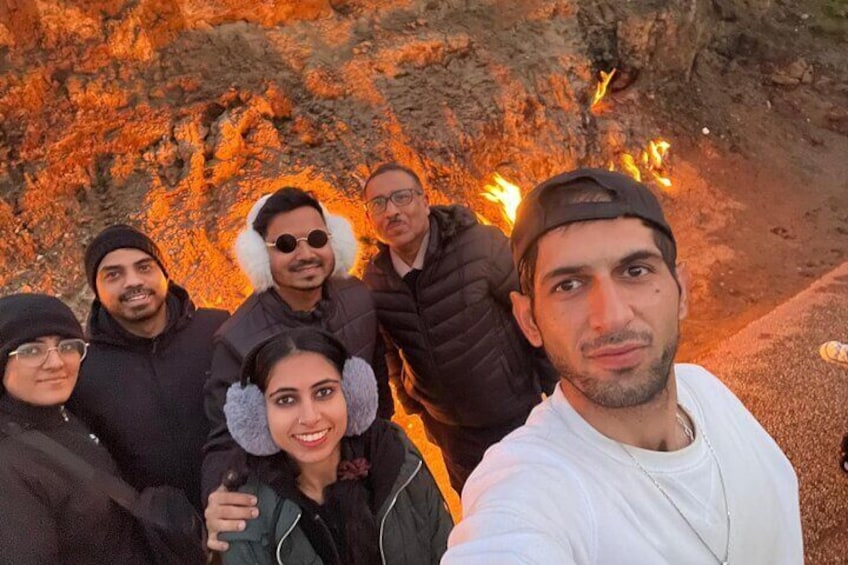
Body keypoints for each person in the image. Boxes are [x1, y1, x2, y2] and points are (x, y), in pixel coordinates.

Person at [444, 169, 803, 564]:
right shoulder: (527, 487)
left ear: (681, 290)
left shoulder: (707, 390)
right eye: (569, 285)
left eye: (635, 271)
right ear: (529, 320)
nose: (612, 317)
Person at [203, 187, 393, 552]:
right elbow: (224, 437)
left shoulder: (358, 296)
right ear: (261, 258)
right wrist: (220, 496)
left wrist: (381, 451)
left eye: (317, 239)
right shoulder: (236, 340)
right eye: (286, 244)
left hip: (366, 473)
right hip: (298, 496)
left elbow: (377, 384)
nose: (306, 254)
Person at [361, 162, 556, 492]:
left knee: (541, 499)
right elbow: (390, 346)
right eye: (378, 204)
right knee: (483, 508)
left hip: (515, 414)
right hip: (451, 433)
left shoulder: (481, 246)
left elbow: (535, 316)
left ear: (425, 201)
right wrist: (412, 401)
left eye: (402, 197)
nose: (392, 211)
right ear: (369, 218)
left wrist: (553, 392)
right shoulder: (376, 279)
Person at [218, 327, 452, 564]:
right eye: (286, 399)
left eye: (324, 392)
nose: (309, 417)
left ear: (351, 395)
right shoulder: (243, 514)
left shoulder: (396, 455)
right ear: (258, 414)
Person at [67, 224, 229, 512]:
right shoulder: (85, 371)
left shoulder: (217, 329)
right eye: (113, 274)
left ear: (164, 274)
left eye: (144, 267)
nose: (133, 282)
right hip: (161, 537)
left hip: (244, 511)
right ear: (96, 289)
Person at [0, 293, 156, 564]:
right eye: (31, 351)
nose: (56, 362)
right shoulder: (9, 466)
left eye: (67, 345)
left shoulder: (66, 413)